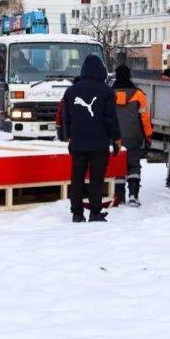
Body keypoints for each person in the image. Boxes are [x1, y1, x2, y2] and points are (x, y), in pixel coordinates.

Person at [61, 55, 121, 222]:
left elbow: (66, 118)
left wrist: (68, 137)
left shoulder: (71, 91)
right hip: (99, 144)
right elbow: (110, 119)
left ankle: (77, 213)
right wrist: (116, 139)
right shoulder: (107, 92)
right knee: (96, 179)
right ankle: (95, 212)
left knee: (77, 178)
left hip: (78, 143)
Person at [112, 65, 153, 207]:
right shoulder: (139, 95)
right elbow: (145, 118)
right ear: (129, 76)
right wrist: (148, 136)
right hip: (134, 136)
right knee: (133, 165)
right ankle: (133, 195)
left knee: (117, 166)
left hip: (115, 138)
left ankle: (118, 197)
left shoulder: (109, 94)